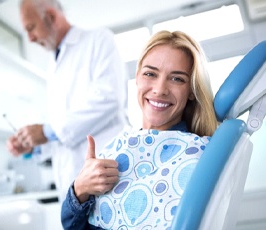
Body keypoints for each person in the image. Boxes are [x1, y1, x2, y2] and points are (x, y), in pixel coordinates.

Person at [60, 30, 219, 229]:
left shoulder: (197, 156)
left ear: (192, 91)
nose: (160, 89)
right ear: (137, 78)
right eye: (150, 74)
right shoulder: (118, 147)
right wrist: (80, 189)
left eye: (177, 79)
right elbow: (71, 225)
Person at [6, 0, 129, 202]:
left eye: (31, 28)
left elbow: (109, 98)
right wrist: (33, 143)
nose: (29, 38)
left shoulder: (98, 40)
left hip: (106, 179)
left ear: (52, 17)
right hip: (73, 188)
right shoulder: (53, 66)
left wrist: (45, 132)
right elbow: (63, 130)